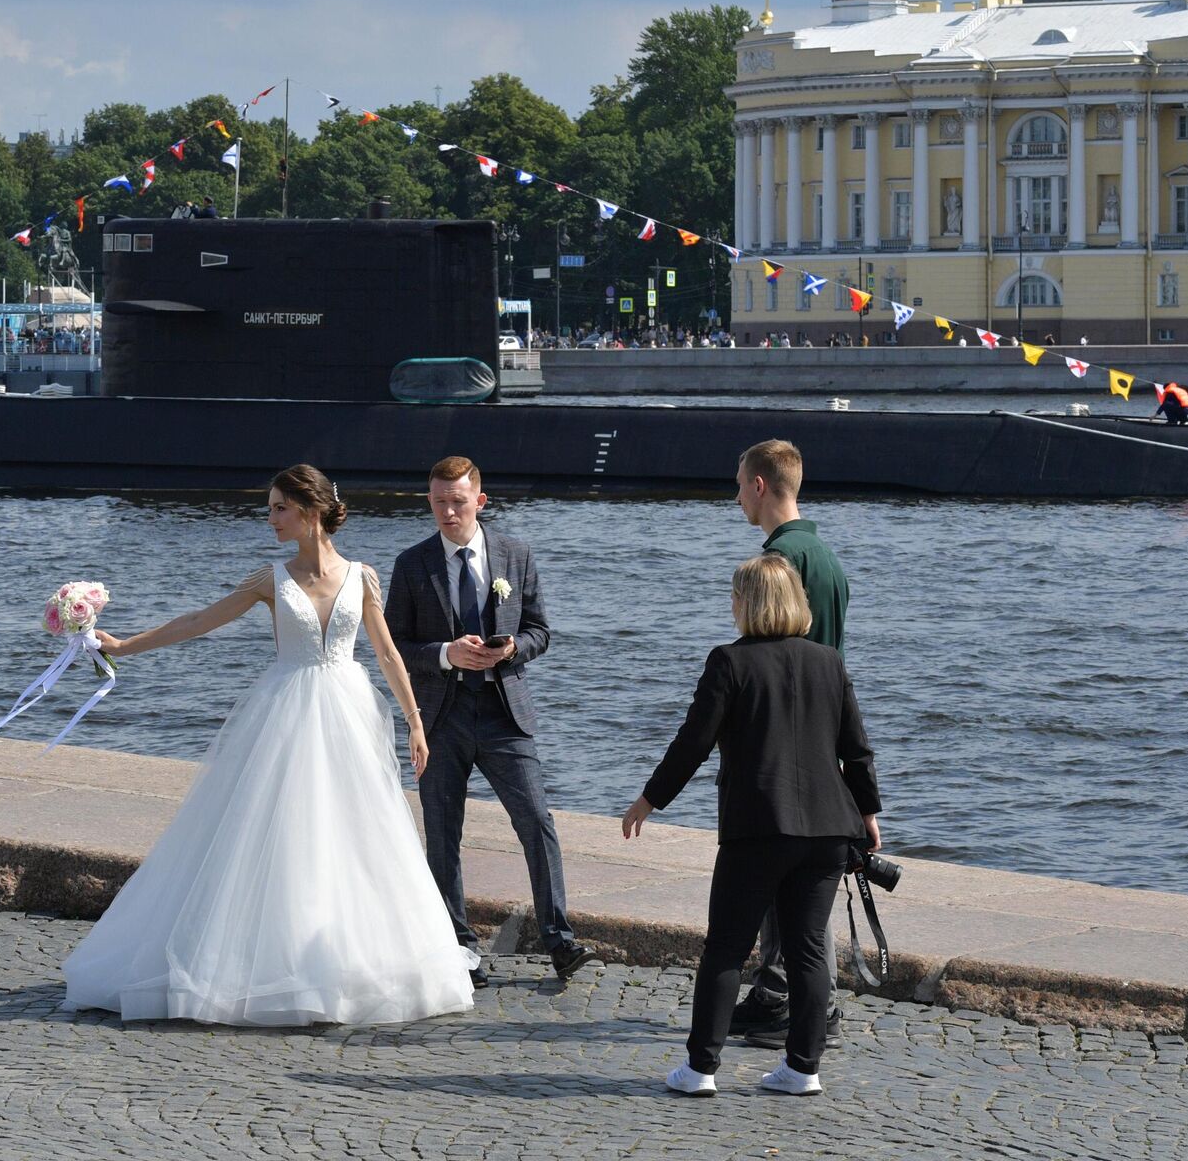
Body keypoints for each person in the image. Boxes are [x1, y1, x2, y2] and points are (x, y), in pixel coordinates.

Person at [67, 465, 472, 1025]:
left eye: (280, 507)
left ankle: (343, 963)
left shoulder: (363, 577)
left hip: (348, 712)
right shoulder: (269, 579)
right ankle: (265, 964)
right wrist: (127, 645)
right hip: (284, 711)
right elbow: (199, 621)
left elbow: (386, 654)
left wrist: (415, 721)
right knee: (278, 833)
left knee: (353, 835)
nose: (271, 516)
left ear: (309, 512)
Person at [623, 553, 882, 1099]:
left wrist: (650, 799)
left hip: (758, 828)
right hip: (828, 829)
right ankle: (803, 1069)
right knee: (809, 948)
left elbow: (693, 743)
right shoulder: (828, 662)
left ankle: (700, 1069)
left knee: (726, 947)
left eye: (735, 597)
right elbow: (856, 750)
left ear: (747, 604)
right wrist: (868, 814)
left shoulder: (729, 662)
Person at [385, 456, 601, 987]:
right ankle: (458, 946)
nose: (447, 511)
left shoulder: (515, 553)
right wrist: (445, 653)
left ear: (479, 501)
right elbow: (393, 646)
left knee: (537, 824)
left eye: (457, 501)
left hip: (506, 714)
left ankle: (559, 940)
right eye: (438, 501)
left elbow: (540, 632)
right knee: (442, 834)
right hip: (441, 717)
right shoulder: (412, 565)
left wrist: (509, 652)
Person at [730, 439, 849, 1046]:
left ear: (759, 486)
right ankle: (779, 993)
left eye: (739, 486)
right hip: (822, 734)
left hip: (786, 742)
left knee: (792, 885)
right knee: (796, 882)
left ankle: (804, 1004)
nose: (736, 498)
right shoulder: (826, 557)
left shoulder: (780, 561)